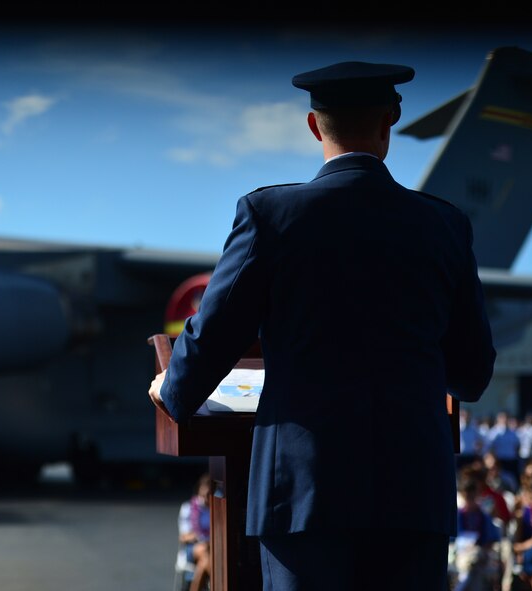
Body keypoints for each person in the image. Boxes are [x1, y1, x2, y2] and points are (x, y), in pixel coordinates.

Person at [148, 60, 496, 591]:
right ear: (390, 121)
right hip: (413, 496)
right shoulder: (444, 225)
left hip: (305, 496)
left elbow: (215, 331)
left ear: (315, 126)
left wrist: (171, 389)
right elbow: (472, 372)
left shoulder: (271, 215)